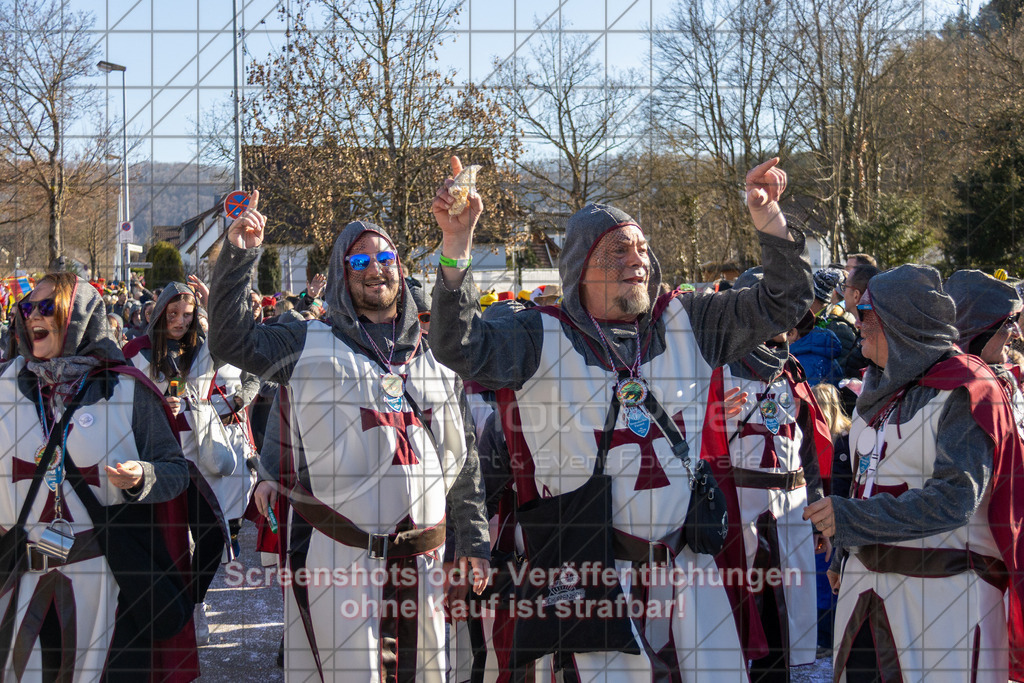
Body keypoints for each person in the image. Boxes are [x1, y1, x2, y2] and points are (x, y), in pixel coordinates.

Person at [430, 156, 813, 679]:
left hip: (689, 571)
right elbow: (458, 345)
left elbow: (785, 302)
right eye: (618, 250)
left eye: (642, 249)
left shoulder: (690, 321)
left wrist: (769, 220)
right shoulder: (537, 336)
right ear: (580, 266)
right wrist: (456, 248)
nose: (637, 259)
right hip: (590, 577)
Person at [206, 191, 490, 682]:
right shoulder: (307, 341)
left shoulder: (437, 355)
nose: (375, 268)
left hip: (425, 563)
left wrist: (475, 543)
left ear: (400, 270)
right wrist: (239, 254)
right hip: (343, 560)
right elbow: (231, 339)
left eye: (385, 258)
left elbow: (462, 462)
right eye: (360, 260)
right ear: (342, 272)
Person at [803, 264, 1024, 681]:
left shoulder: (965, 389)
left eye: (865, 311)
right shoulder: (881, 386)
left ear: (896, 322)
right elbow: (866, 477)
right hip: (867, 593)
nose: (856, 320)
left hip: (942, 606)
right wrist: (844, 552)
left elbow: (955, 499)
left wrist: (852, 520)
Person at [0, 272, 193, 680]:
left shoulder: (128, 389)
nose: (34, 314)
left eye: (48, 306)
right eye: (28, 307)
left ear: (79, 315)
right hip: (15, 575)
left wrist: (143, 476)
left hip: (104, 578)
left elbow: (176, 470)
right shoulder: (5, 389)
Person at [122, 282, 257, 645]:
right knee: (164, 540)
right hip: (156, 457)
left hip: (199, 455)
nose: (181, 321)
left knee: (212, 536)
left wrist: (216, 303)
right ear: (160, 312)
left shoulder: (204, 349)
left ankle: (194, 603)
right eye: (174, 314)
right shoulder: (136, 352)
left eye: (188, 314)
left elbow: (241, 345)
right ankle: (170, 614)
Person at [718, 267, 833, 678]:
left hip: (792, 505)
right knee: (736, 608)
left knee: (787, 613)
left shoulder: (791, 371)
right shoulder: (718, 368)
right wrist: (710, 417)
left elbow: (810, 447)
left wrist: (819, 510)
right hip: (740, 505)